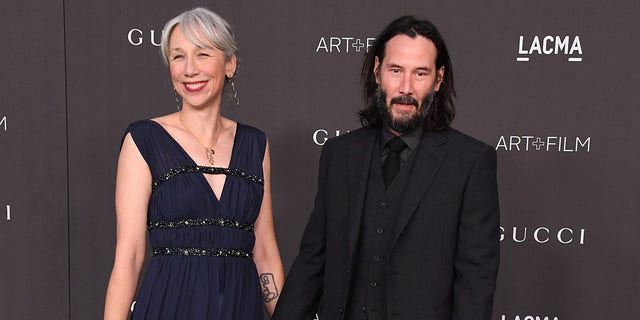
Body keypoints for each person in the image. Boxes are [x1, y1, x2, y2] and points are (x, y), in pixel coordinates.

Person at [273, 15, 500, 320]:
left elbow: (476, 281)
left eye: (420, 73)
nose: (405, 88)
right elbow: (313, 262)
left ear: (438, 79)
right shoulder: (339, 155)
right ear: (378, 71)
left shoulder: (471, 162)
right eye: (396, 70)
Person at [104, 7, 284, 319]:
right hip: (168, 305)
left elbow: (265, 252)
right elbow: (129, 256)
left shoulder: (255, 144)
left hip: (239, 308)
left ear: (229, 64)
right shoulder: (144, 139)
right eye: (178, 56)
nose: (189, 69)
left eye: (202, 54)